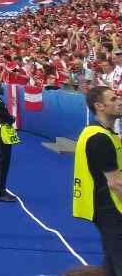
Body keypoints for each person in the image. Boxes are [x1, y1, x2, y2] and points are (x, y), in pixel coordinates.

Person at [73, 85, 122, 276]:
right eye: (113, 99)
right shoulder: (99, 139)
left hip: (106, 207)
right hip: (111, 208)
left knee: (112, 262)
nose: (119, 101)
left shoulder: (101, 133)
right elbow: (115, 183)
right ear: (99, 106)